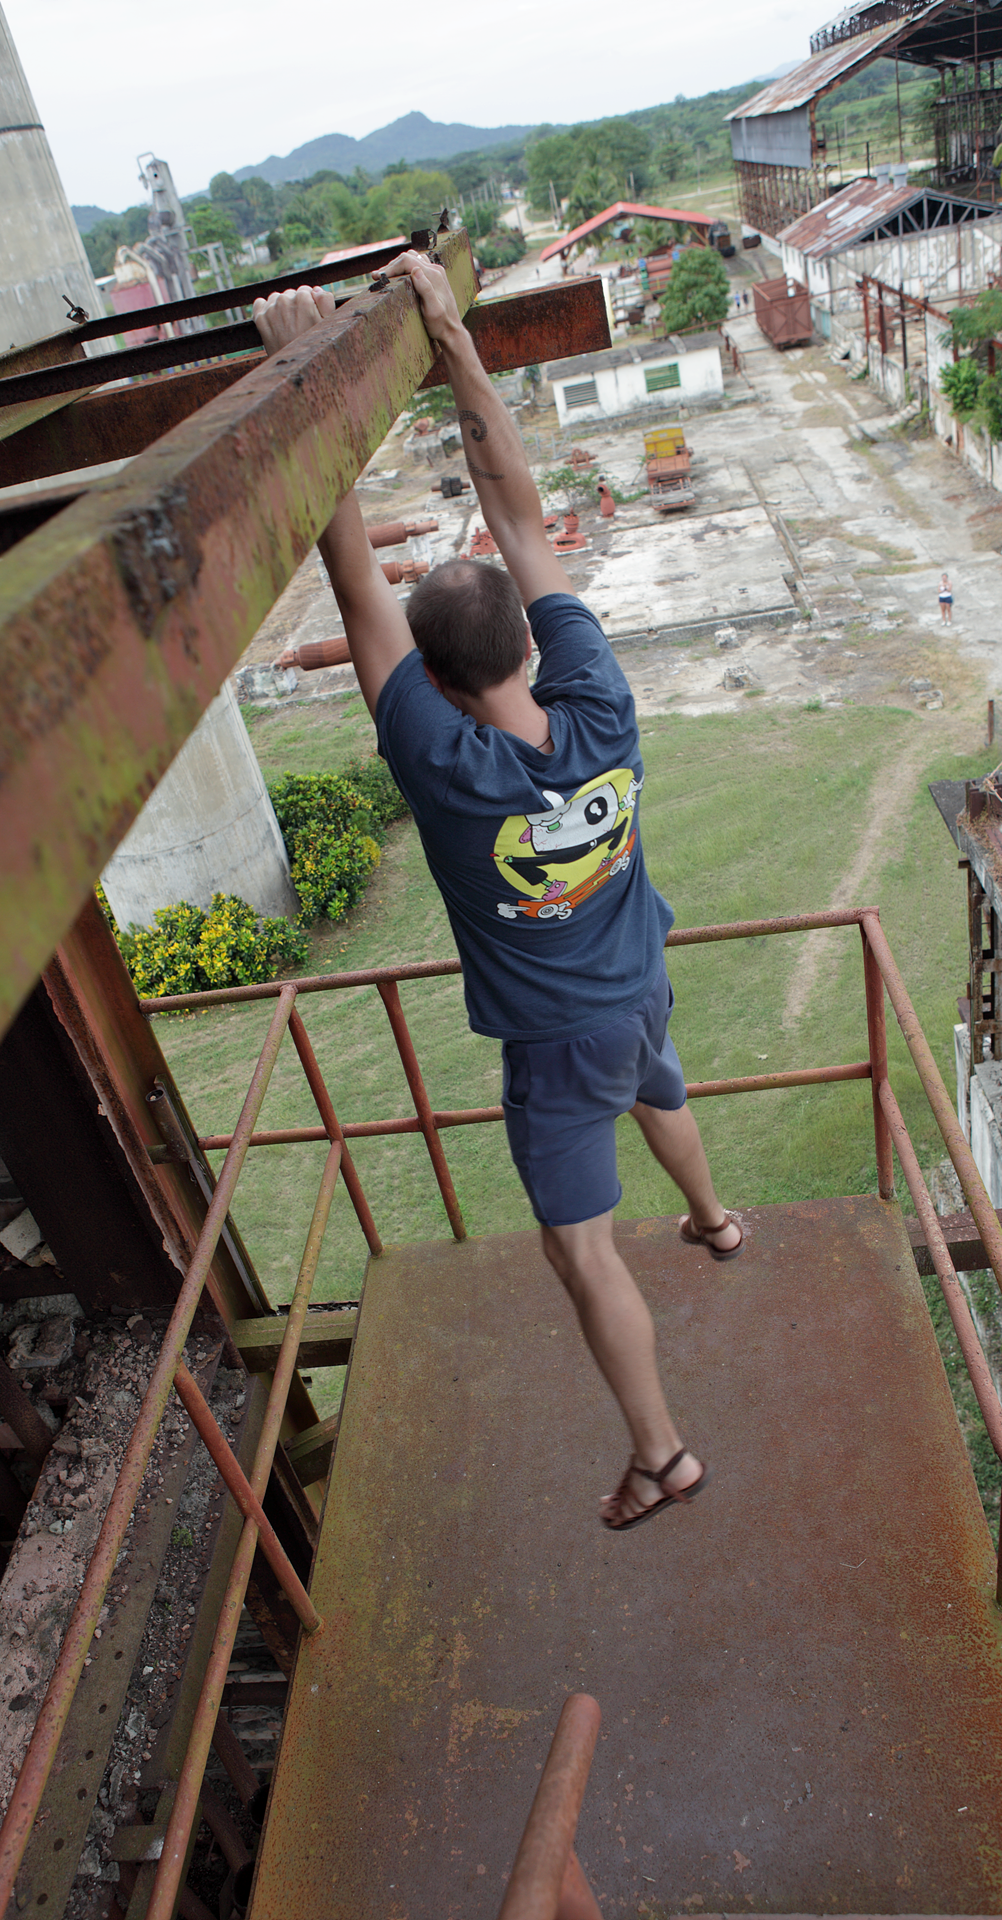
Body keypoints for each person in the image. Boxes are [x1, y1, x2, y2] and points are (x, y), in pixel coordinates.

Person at [252, 257, 742, 1532]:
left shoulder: (441, 762)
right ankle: (713, 1220)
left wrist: (302, 383)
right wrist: (453, 341)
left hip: (557, 1041)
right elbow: (518, 515)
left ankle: (661, 1456)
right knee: (659, 1085)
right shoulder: (598, 697)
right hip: (637, 980)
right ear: (528, 639)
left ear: (433, 678)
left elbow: (353, 580)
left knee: (582, 1252)